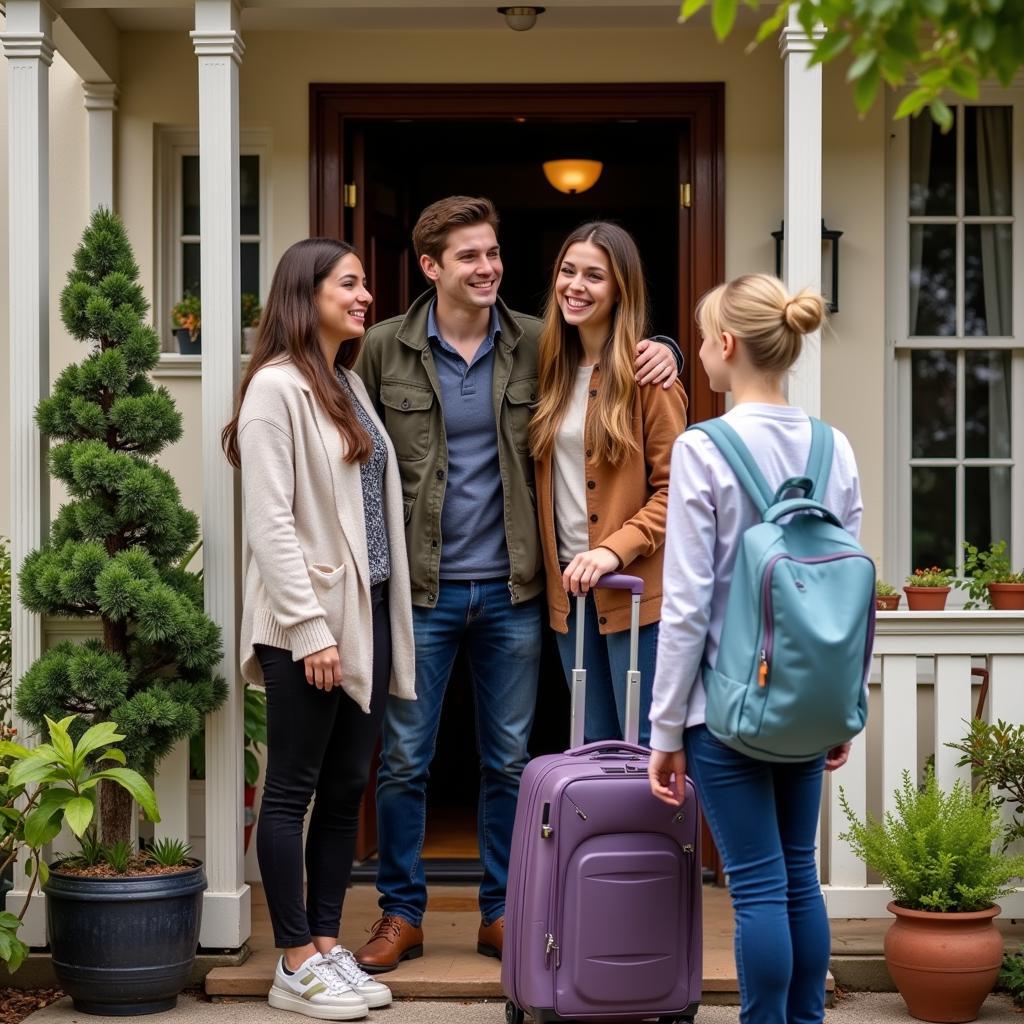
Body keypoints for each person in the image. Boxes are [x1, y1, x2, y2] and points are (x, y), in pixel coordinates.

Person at [353, 196, 682, 971]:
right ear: (430, 267)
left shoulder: (539, 346)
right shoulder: (381, 350)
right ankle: (401, 913)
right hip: (421, 593)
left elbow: (617, 353)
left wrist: (663, 344)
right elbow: (352, 455)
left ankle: (504, 909)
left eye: (494, 253)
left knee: (510, 761)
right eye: (470, 256)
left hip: (518, 593)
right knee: (404, 761)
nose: (489, 267)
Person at [647, 273, 863, 1024]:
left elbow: (685, 605)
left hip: (725, 707)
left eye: (704, 336)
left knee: (758, 885)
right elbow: (847, 594)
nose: (700, 349)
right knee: (798, 875)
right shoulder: (836, 448)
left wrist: (666, 730)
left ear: (727, 346)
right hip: (809, 699)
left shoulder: (704, 448)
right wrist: (843, 709)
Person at [223, 238, 416, 1020]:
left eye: (365, 284)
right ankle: (292, 958)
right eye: (351, 283)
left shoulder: (344, 382)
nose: (365, 295)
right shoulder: (276, 388)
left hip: (362, 615)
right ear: (308, 295)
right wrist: (310, 630)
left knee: (344, 791)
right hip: (308, 624)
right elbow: (269, 524)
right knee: (292, 790)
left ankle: (329, 949)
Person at [531, 222, 687, 746]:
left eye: (594, 276)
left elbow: (677, 492)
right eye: (568, 271)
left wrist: (613, 552)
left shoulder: (650, 378)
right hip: (569, 597)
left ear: (621, 288)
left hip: (634, 593)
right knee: (590, 747)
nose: (576, 285)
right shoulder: (546, 369)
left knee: (641, 749)